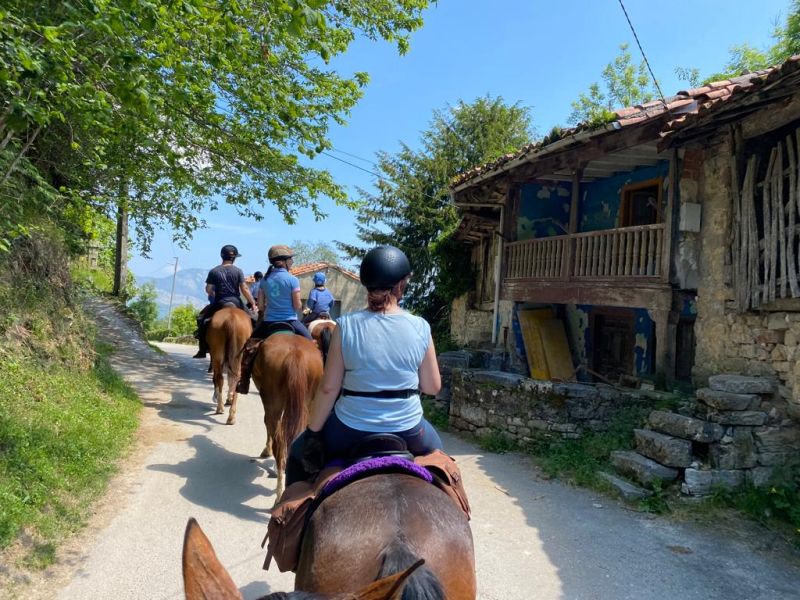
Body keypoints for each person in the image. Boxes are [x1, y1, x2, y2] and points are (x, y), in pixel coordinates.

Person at [286, 245, 443, 485]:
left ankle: (293, 517)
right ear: (402, 285)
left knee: (297, 453)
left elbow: (329, 389)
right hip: (409, 427)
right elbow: (432, 386)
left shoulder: (346, 326)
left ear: (366, 284)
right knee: (443, 465)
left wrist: (313, 433)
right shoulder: (421, 326)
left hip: (350, 426)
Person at [236, 245, 312, 393]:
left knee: (249, 348)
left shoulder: (265, 280)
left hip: (268, 322)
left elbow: (261, 306)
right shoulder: (293, 280)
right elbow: (297, 305)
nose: (292, 262)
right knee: (312, 345)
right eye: (290, 259)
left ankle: (244, 382)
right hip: (291, 321)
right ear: (283, 261)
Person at [193, 244, 257, 359]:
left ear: (222, 256)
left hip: (219, 302)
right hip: (236, 302)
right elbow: (244, 288)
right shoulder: (238, 271)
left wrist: (214, 294)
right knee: (254, 320)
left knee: (202, 319)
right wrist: (252, 303)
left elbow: (208, 289)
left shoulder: (214, 271)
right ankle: (252, 349)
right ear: (234, 258)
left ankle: (202, 349)